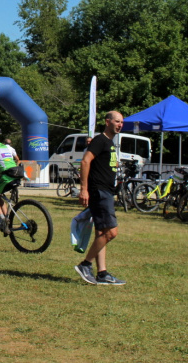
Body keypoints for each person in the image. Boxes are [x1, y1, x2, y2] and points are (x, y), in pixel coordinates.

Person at [74, 110, 126, 286]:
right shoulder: (100, 140)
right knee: (111, 232)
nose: (120, 124)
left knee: (101, 233)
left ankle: (102, 273)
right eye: (117, 121)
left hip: (107, 191)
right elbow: (85, 161)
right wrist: (84, 189)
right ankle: (85, 265)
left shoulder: (108, 143)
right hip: (99, 192)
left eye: (122, 122)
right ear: (107, 122)